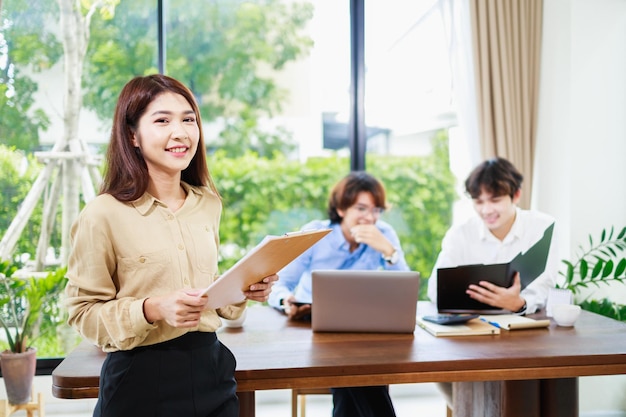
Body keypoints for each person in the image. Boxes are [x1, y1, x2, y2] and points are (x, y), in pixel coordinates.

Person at [64, 74, 277, 417]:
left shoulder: (208, 203)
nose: (180, 132)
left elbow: (210, 296)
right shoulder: (102, 213)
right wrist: (153, 309)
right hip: (140, 380)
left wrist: (243, 288)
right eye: (162, 120)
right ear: (132, 135)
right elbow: (83, 313)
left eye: (188, 119)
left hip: (213, 369)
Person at [268, 171, 409, 417]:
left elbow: (406, 291)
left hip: (362, 333)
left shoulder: (383, 235)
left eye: (376, 211)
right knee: (356, 368)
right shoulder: (316, 234)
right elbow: (279, 283)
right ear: (342, 209)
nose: (370, 218)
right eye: (362, 209)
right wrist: (285, 301)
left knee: (352, 366)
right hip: (314, 328)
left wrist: (388, 250)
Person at [427, 156, 559, 408]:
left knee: (531, 383)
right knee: (446, 370)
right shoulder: (460, 233)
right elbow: (435, 289)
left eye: (495, 200)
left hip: (524, 337)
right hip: (471, 334)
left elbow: (545, 285)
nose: (486, 210)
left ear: (516, 195)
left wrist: (518, 302)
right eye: (479, 201)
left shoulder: (541, 226)